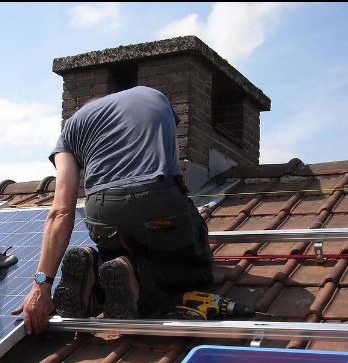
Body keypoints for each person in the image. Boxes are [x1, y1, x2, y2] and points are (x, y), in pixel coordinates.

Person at [15, 86, 213, 335]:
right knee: (197, 269)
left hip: (103, 212)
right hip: (158, 198)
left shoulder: (71, 128)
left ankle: (94, 266)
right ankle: (137, 280)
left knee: (117, 252)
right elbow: (173, 167)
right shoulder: (153, 95)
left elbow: (61, 210)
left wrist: (41, 285)